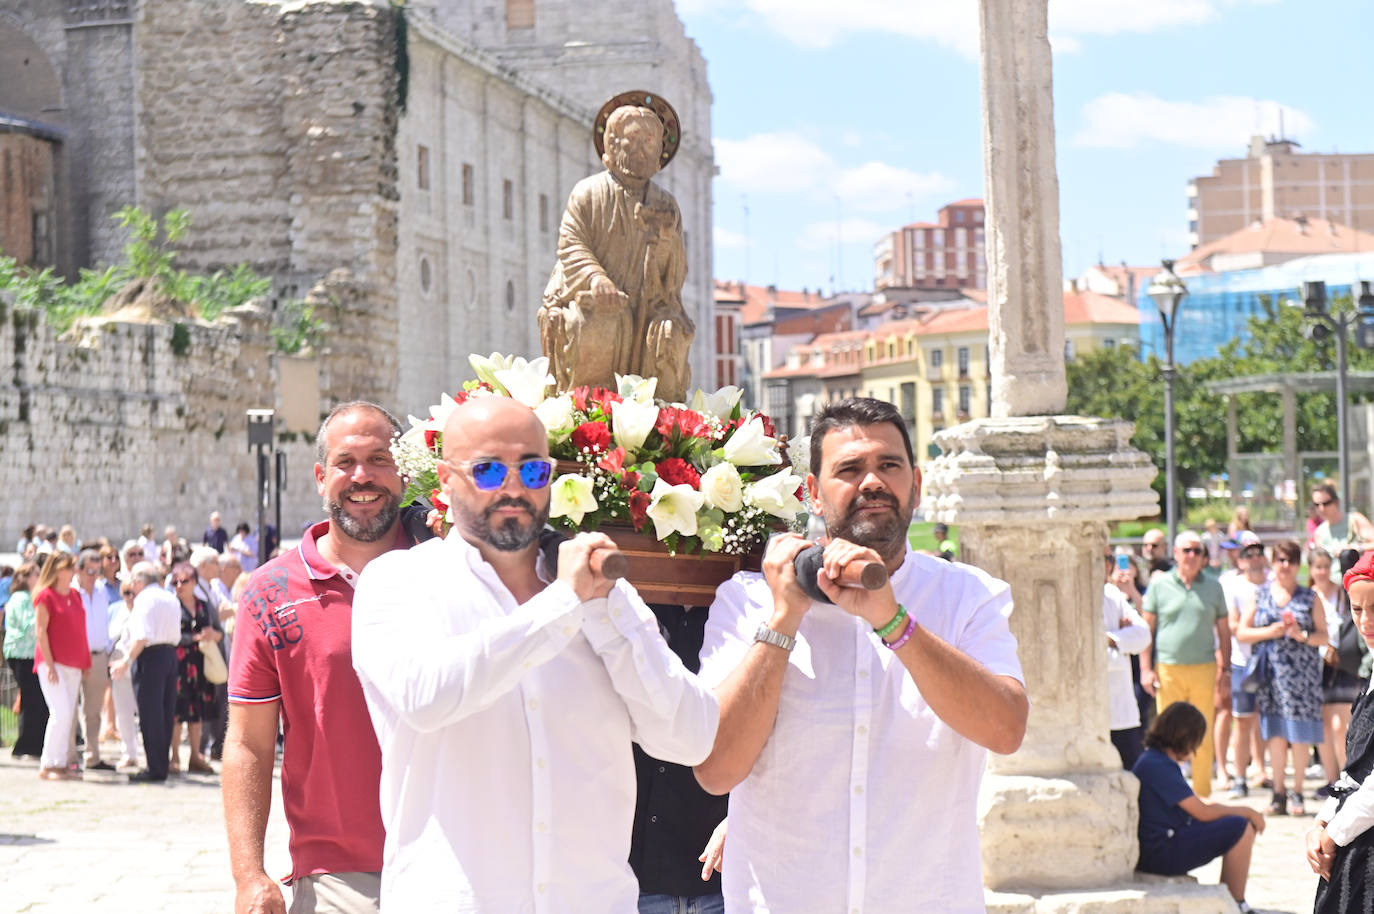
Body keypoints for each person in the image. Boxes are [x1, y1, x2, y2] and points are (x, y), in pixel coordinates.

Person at [351, 395, 718, 912]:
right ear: (446, 479)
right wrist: (564, 604)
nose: (514, 486)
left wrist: (608, 615)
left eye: (533, 468)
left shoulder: (605, 594)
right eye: (488, 469)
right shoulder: (398, 581)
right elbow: (426, 697)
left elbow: (690, 737)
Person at [693, 397, 1027, 912]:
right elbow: (716, 770)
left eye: (888, 465)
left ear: (916, 483)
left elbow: (1006, 729)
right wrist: (783, 620)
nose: (872, 481)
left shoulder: (970, 596)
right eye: (849, 469)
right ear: (813, 495)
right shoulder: (748, 601)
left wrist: (895, 623)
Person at [225, 401, 424, 914]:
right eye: (345, 462)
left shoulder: (448, 565)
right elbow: (248, 743)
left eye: (380, 459)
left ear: (405, 470)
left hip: (457, 856)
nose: (363, 477)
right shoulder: (270, 590)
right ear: (320, 476)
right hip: (339, 874)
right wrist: (249, 875)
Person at [539, 99, 695, 401]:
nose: (642, 149)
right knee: (598, 325)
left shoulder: (666, 204)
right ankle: (586, 419)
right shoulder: (589, 192)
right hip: (589, 294)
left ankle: (663, 424)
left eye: (650, 141)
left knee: (668, 333)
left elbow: (675, 269)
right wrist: (597, 279)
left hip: (650, 302)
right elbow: (571, 242)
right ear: (612, 143)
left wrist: (663, 242)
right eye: (634, 139)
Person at [1134, 701, 1263, 914]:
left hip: (1159, 846)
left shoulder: (1153, 759)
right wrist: (1246, 812)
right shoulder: (1158, 765)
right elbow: (1202, 812)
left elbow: (1197, 801)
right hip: (1160, 852)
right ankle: (1236, 903)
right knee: (1240, 827)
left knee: (1238, 822)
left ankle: (1234, 901)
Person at [1236, 539, 1326, 816]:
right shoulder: (1261, 596)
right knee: (1274, 734)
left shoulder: (1310, 597)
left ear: (1298, 565)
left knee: (1299, 735)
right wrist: (1270, 632)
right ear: (1272, 563)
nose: (1284, 566)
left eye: (1290, 560)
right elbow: (1241, 632)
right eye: (1280, 560)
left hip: (1302, 678)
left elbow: (1324, 636)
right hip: (1272, 678)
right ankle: (1279, 793)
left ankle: (1297, 791)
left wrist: (1303, 635)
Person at [1140, 530, 1231, 797]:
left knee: (1201, 733)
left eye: (1197, 551)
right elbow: (1147, 629)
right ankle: (1170, 794)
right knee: (1167, 735)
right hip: (1167, 668)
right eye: (1187, 550)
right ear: (1176, 554)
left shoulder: (1214, 586)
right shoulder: (1159, 585)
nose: (1192, 556)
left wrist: (1224, 671)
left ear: (1203, 556)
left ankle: (1202, 795)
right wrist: (1145, 669)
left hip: (1205, 668)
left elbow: (1225, 632)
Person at [1308, 551, 1374, 912]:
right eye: (1357, 609)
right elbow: (1356, 771)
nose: (1366, 622)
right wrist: (1321, 822)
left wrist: (1333, 833)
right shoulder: (1370, 680)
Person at [113, 561, 183, 783]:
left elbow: (142, 636)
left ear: (140, 582)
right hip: (170, 655)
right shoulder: (170, 597)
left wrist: (125, 660)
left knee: (150, 713)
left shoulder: (144, 599)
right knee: (165, 712)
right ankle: (160, 763)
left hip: (150, 657)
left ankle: (155, 767)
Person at [32, 551, 88, 780]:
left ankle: (62, 762)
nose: (73, 571)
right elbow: (41, 631)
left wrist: (85, 661)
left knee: (69, 715)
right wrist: (50, 663)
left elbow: (79, 629)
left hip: (74, 663)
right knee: (60, 713)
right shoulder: (45, 596)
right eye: (68, 567)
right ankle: (48, 764)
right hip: (51, 663)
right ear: (56, 570)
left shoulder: (75, 594)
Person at [1222, 533, 1268, 798]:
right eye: (1247, 553)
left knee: (1266, 721)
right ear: (1239, 560)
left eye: (1258, 551)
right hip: (1243, 662)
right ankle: (1240, 776)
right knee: (1242, 722)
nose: (1254, 557)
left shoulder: (1274, 583)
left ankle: (1261, 770)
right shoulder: (1233, 586)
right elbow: (1233, 627)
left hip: (1271, 664)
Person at [167, 561, 221, 775]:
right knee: (177, 712)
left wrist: (213, 635)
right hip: (179, 664)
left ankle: (196, 756)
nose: (179, 585)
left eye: (184, 581)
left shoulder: (204, 605)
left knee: (197, 711)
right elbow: (171, 635)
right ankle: (175, 756)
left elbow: (218, 631)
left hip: (200, 664)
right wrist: (194, 638)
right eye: (175, 581)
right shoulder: (171, 605)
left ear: (194, 582)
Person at [1105, 551, 1151, 769]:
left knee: (1133, 776)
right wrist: (1121, 641)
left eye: (1109, 559)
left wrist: (1111, 639)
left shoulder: (1112, 595)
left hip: (1121, 712)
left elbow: (1143, 635)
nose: (1107, 564)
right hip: (1091, 714)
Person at [72, 549, 115, 772]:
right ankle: (69, 757)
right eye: (89, 571)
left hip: (98, 656)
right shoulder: (70, 591)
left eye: (97, 571)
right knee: (69, 709)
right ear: (78, 569)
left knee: (93, 710)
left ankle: (92, 755)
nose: (93, 575)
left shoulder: (101, 591)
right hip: (73, 656)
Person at [4, 563, 47, 759]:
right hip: (22, 654)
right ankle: (27, 745)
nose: (39, 576)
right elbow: (29, 627)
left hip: (28, 654)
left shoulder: (27, 598)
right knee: (31, 700)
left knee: (33, 699)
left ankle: (32, 743)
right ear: (25, 577)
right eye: (35, 574)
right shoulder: (21, 598)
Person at [106, 580, 142, 770]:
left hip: (139, 665)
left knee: (144, 710)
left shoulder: (144, 609)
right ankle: (129, 753)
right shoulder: (114, 610)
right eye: (126, 592)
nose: (130, 597)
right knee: (123, 712)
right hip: (117, 665)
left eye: (133, 593)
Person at [1312, 484, 1374, 584]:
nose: (1321, 508)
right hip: (1333, 590)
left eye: (1326, 503)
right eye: (1317, 505)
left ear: (1336, 502)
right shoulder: (1319, 532)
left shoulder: (1354, 520)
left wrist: (1354, 547)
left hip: (1357, 585)